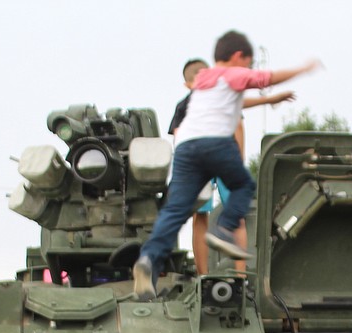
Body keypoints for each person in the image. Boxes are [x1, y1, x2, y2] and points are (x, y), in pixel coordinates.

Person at [132, 30, 320, 300]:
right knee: (244, 185)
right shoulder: (231, 73)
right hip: (215, 143)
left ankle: (148, 259)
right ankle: (224, 229)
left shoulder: (204, 81)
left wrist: (268, 101)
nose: (248, 69)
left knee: (175, 211)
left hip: (186, 149)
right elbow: (265, 78)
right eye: (247, 63)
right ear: (237, 56)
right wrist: (303, 69)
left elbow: (236, 100)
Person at [168, 58, 294, 276]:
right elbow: (237, 126)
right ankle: (240, 274)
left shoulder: (184, 105)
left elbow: (179, 140)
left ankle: (203, 275)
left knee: (201, 218)